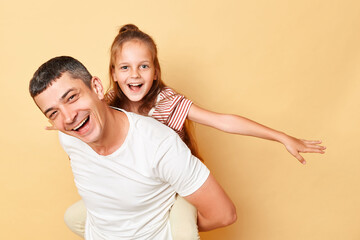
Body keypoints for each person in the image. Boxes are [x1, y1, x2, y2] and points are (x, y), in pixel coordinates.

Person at [64, 24, 326, 239]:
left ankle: (165, 225)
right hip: (138, 193)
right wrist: (65, 122)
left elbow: (223, 121)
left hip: (175, 190)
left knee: (182, 232)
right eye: (125, 67)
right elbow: (82, 126)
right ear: (113, 73)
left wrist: (281, 137)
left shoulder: (167, 102)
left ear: (155, 72)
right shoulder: (108, 105)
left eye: (144, 66)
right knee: (75, 217)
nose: (135, 75)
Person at [29, 56, 237, 239]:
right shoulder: (69, 138)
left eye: (72, 97)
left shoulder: (159, 144)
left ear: (97, 88)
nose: (68, 117)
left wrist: (172, 229)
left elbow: (224, 214)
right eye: (53, 113)